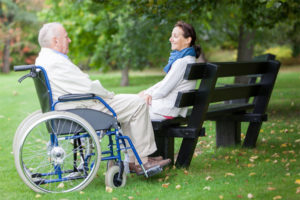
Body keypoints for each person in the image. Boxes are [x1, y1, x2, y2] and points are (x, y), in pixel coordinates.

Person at [35, 22, 170, 175]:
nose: (70, 40)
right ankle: (143, 161)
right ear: (56, 41)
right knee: (138, 104)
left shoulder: (44, 59)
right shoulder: (56, 62)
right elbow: (87, 87)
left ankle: (134, 161)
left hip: (73, 105)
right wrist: (108, 94)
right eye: (66, 37)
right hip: (84, 107)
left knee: (130, 105)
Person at [139, 21, 204, 120]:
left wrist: (147, 95)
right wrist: (147, 92)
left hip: (165, 110)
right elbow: (164, 83)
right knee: (132, 102)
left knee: (128, 109)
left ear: (188, 40)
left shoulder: (182, 62)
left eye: (175, 36)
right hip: (171, 108)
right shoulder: (189, 59)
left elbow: (163, 90)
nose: (170, 39)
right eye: (171, 36)